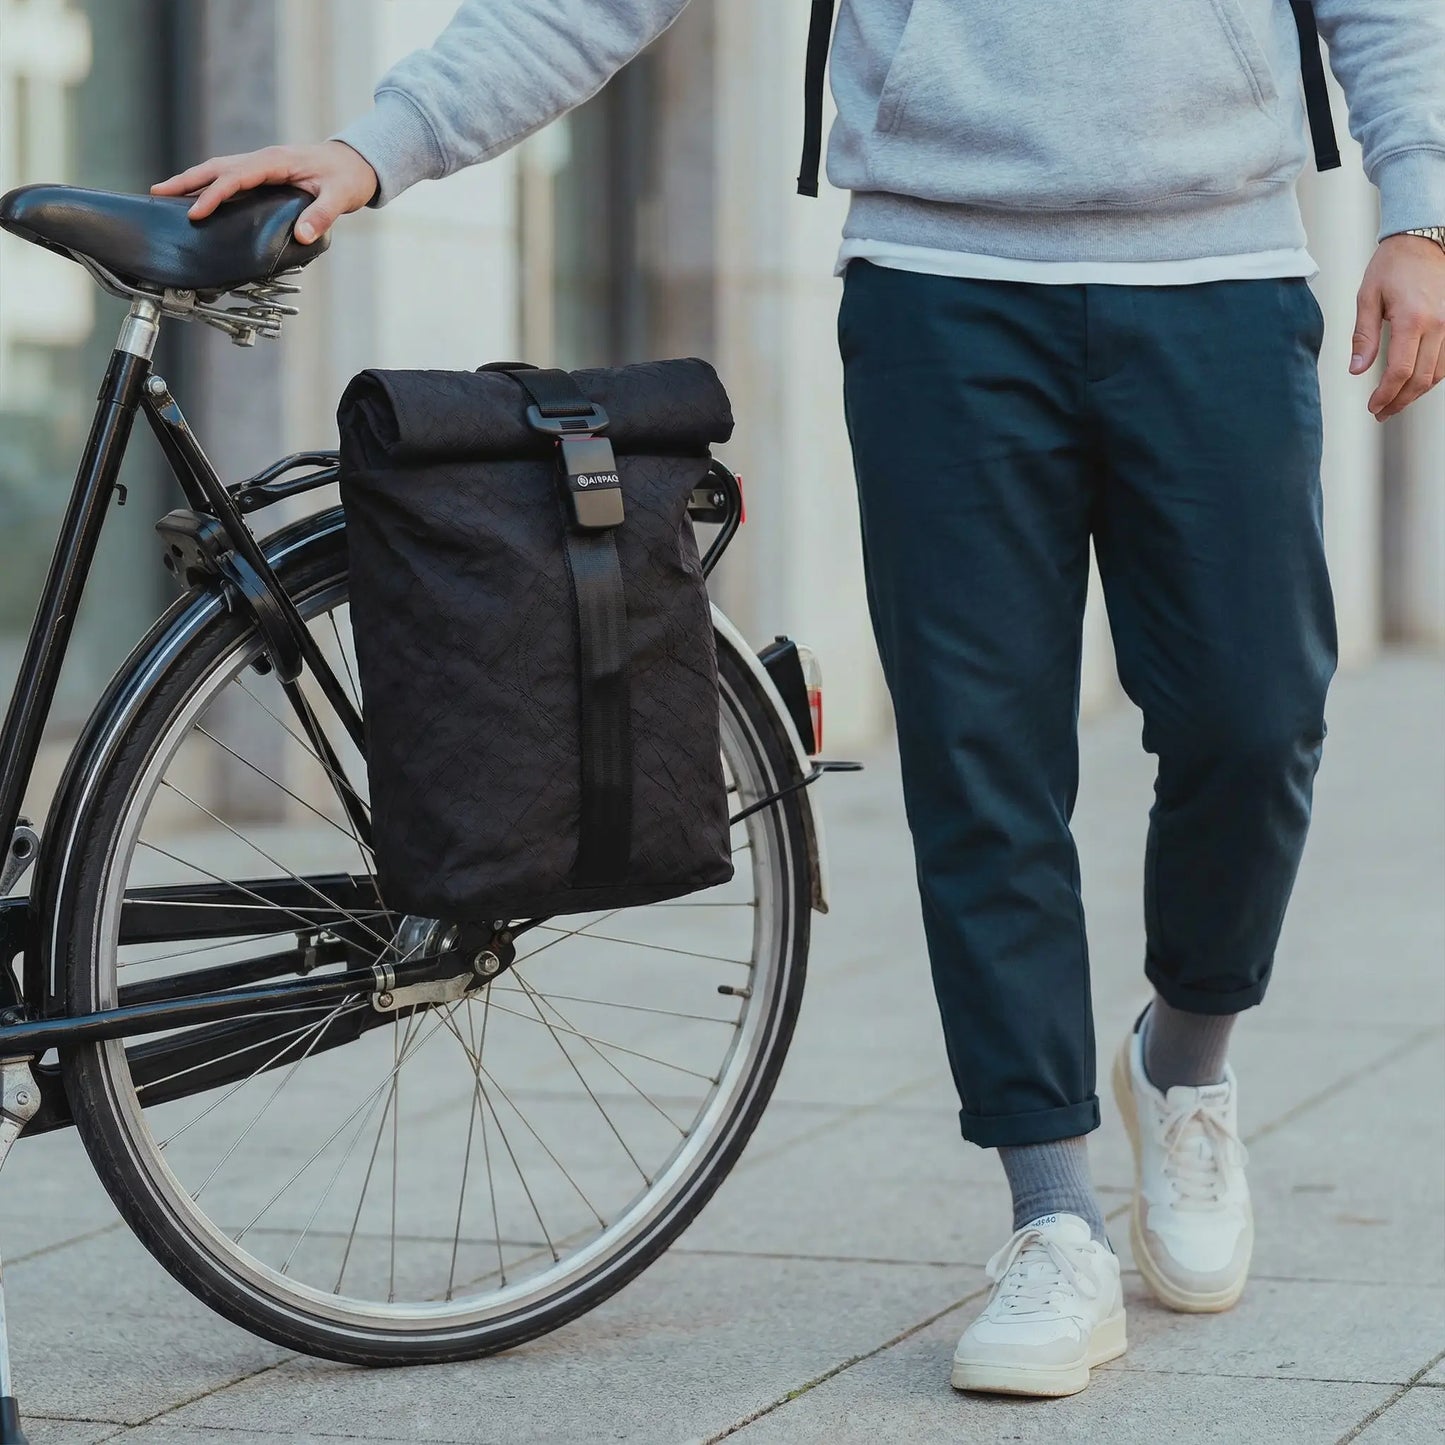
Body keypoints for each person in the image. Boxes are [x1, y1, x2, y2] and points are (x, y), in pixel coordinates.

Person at [154, 0, 1445, 1401]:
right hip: (942, 284)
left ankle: (1183, 1059)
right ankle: (1050, 1213)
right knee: (978, 755)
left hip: (1219, 270)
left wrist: (1420, 207)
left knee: (1252, 719)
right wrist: (377, 143)